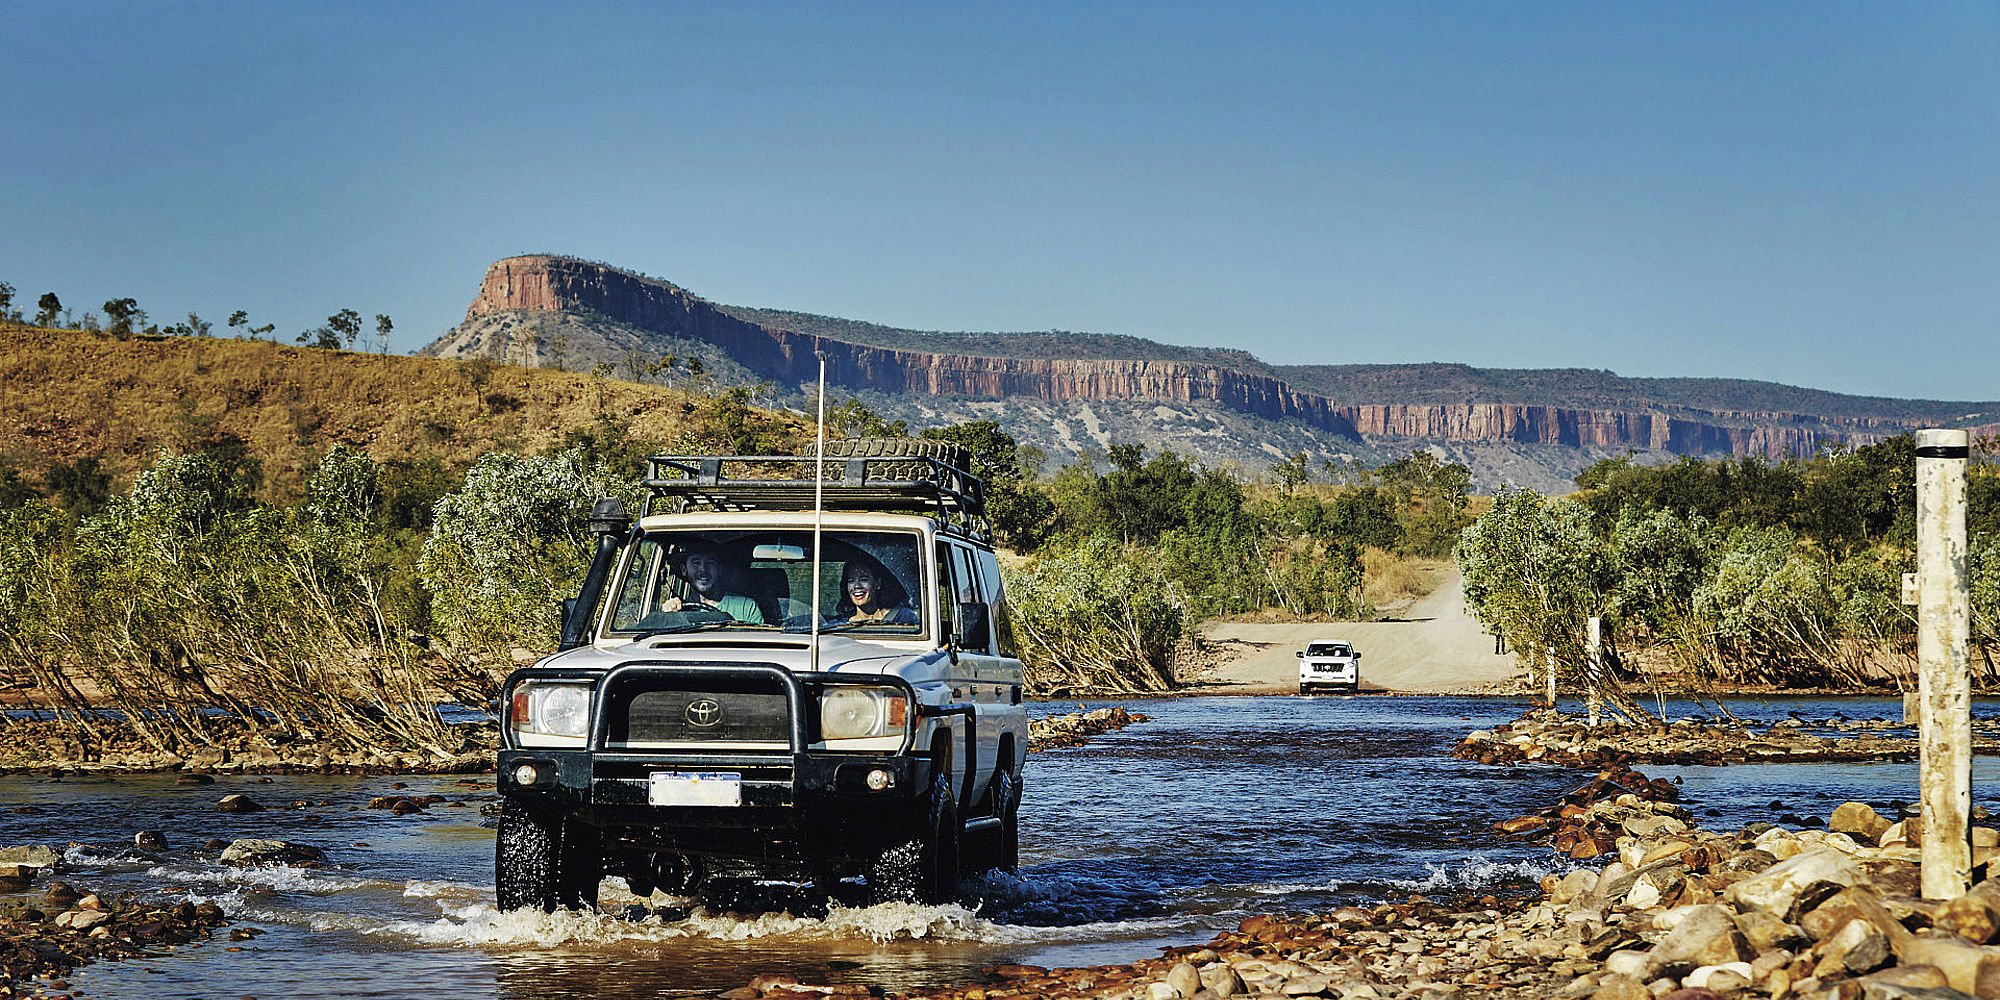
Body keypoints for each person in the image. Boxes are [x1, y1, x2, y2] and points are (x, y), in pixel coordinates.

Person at [659, 542, 765, 624]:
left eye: (710, 563)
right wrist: (667, 617)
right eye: (696, 563)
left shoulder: (746, 608)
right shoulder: (677, 611)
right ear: (684, 570)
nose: (703, 570)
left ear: (719, 569)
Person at [832, 558, 918, 626]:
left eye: (863, 579)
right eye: (851, 581)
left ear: (877, 584)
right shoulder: (837, 625)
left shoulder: (903, 618)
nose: (857, 586)